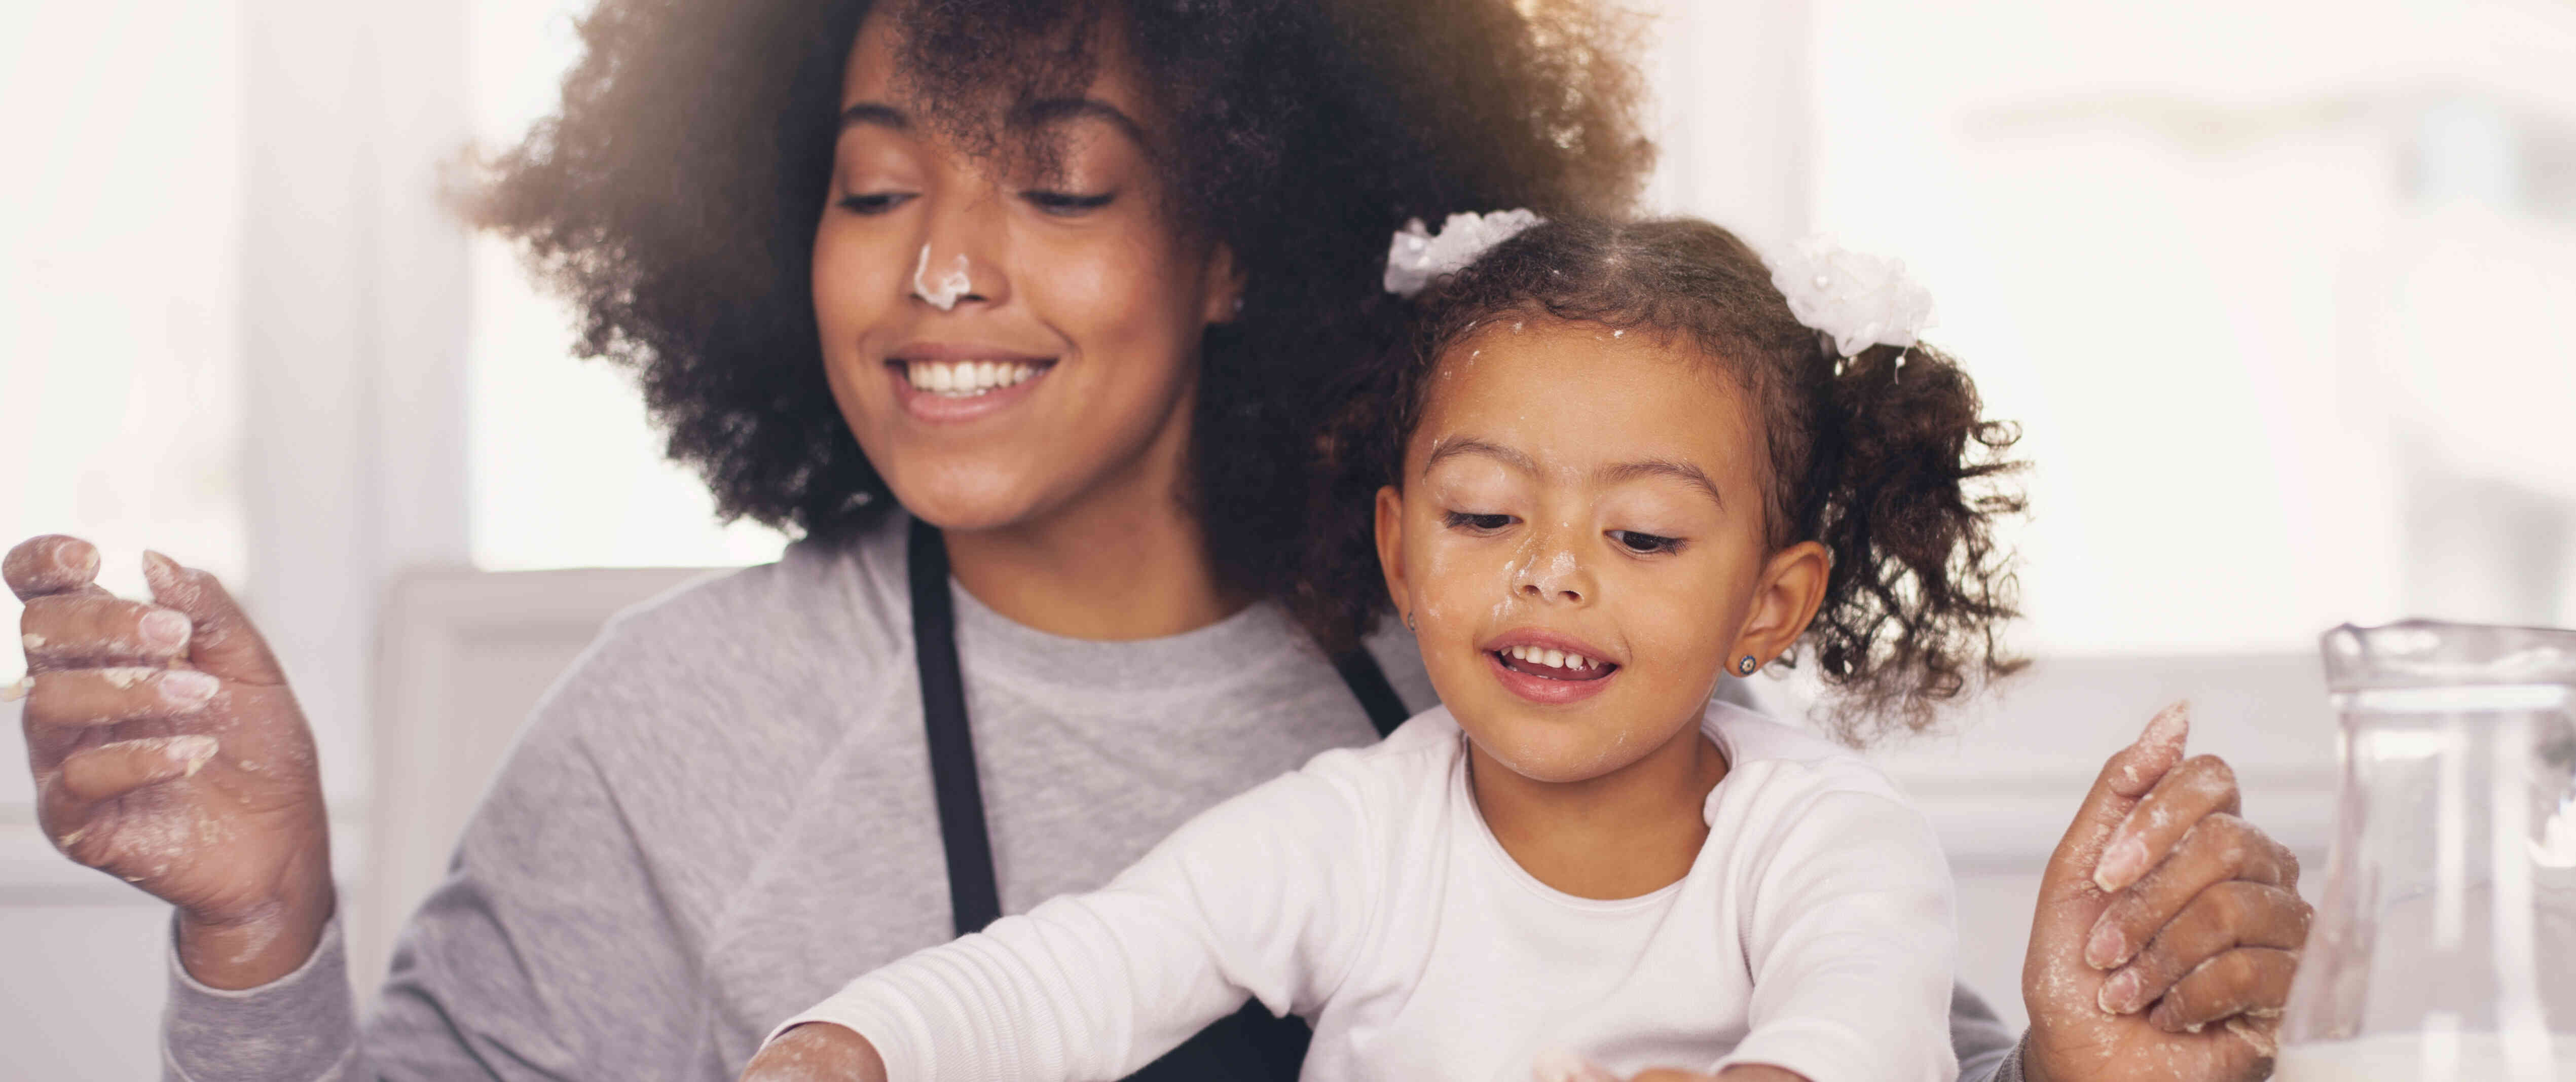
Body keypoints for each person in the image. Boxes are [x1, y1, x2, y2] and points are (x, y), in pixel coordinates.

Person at [4, 1, 2309, 1079]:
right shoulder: (681, 733)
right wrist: (262, 925)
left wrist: (2102, 1064)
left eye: (1065, 187)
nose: (937, 275)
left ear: (1241, 240)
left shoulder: (1535, 632)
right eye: (877, 183)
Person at [745, 214, 1993, 1081]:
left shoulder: (1826, 838)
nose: (1550, 568)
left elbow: (1867, 1022)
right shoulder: (1356, 831)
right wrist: (855, 1042)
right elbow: (1090, 963)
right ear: (1399, 550)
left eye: (1643, 533)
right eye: (1486, 515)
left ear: (1770, 604)